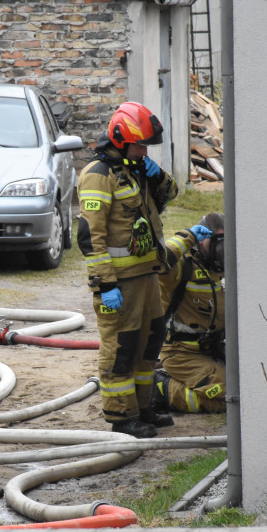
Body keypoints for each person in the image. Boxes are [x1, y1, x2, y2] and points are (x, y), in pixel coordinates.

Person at [76, 101, 178, 438]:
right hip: (118, 282)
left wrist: (157, 175)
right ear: (122, 140)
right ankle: (121, 415)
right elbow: (91, 236)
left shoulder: (136, 169)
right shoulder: (97, 175)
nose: (144, 151)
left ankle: (143, 407)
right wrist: (105, 285)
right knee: (121, 346)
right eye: (140, 144)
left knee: (149, 343)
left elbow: (171, 193)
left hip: (146, 276)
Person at [150, 212, 227, 417]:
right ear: (203, 242)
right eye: (218, 242)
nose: (223, 251)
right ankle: (160, 390)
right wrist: (187, 236)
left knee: (247, 388)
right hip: (182, 354)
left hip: (214, 350)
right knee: (228, 396)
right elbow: (160, 259)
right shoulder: (183, 267)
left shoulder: (224, 270)